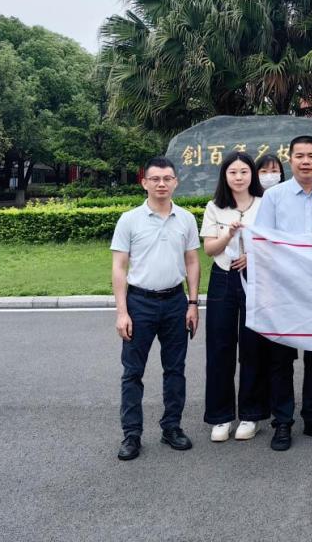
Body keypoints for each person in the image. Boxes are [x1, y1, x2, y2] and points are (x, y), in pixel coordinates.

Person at [255, 135, 312, 450]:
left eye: (311, 156)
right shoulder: (274, 196)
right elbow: (263, 243)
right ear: (291, 160)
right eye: (299, 156)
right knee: (280, 360)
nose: (306, 161)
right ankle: (282, 422)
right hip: (283, 289)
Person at [111, 157, 201, 461]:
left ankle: (171, 427)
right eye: (155, 179)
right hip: (139, 303)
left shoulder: (186, 219)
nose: (161, 184)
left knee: (175, 370)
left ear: (175, 182)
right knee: (132, 372)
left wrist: (193, 303)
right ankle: (131, 435)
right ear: (144, 183)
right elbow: (119, 266)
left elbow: (192, 261)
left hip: (175, 302)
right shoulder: (129, 220)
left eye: (167, 178)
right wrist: (122, 311)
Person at [200, 151, 267, 443]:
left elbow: (272, 243)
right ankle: (221, 416)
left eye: (244, 172)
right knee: (220, 346)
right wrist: (227, 235)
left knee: (253, 346)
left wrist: (252, 257)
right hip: (223, 277)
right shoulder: (215, 207)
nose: (239, 177)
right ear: (224, 176)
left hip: (256, 276)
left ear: (252, 174)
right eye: (233, 172)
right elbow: (209, 250)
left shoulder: (265, 204)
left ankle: (251, 414)